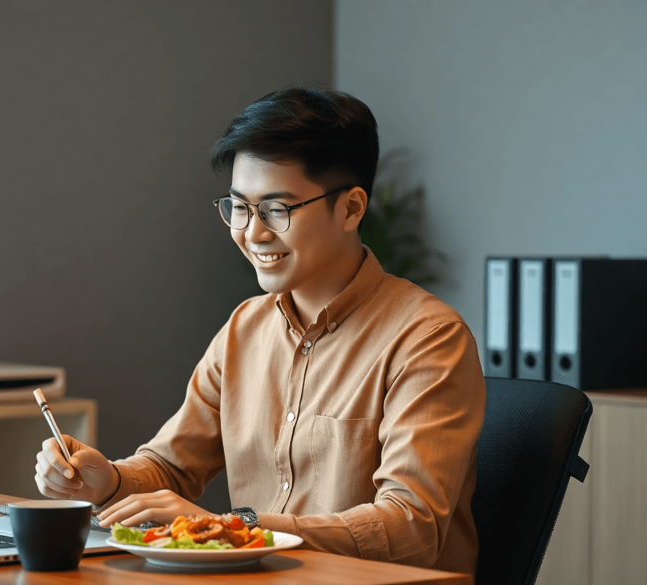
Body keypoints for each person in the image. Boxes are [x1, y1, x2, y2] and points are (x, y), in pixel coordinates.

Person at [33, 88, 485, 575]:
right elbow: (171, 468)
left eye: (276, 209)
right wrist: (107, 481)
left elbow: (411, 527)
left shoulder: (427, 338)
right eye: (239, 207)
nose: (252, 233)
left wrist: (235, 526)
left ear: (352, 209)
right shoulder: (244, 329)